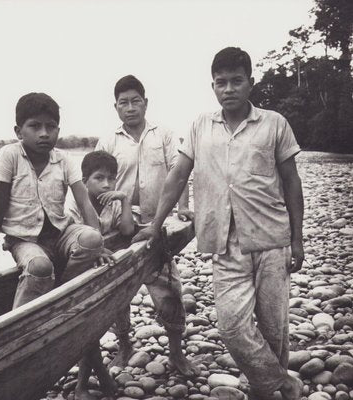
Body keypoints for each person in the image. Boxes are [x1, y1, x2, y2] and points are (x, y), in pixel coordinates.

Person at [133, 47, 304, 400]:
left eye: (236, 81)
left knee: (275, 329)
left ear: (250, 83)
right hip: (224, 243)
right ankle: (283, 382)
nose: (229, 89)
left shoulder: (274, 124)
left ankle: (262, 390)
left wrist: (298, 239)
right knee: (230, 326)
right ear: (212, 86)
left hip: (272, 239)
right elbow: (177, 176)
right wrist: (156, 223)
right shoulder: (199, 126)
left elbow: (291, 182)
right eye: (221, 83)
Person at [95, 75, 199, 377]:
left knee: (168, 289)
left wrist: (181, 208)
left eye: (135, 101)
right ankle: (125, 345)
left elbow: (178, 173)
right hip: (117, 227)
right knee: (117, 293)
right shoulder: (109, 141)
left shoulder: (164, 135)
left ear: (145, 103)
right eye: (123, 103)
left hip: (157, 223)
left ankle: (176, 352)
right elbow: (95, 187)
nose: (130, 108)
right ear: (115, 107)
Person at [0, 92, 112, 306]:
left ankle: (63, 292)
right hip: (24, 240)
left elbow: (84, 202)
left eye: (50, 127)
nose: (44, 133)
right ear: (18, 131)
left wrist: (99, 248)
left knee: (92, 239)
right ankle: (20, 322)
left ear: (58, 131)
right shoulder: (10, 156)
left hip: (61, 234)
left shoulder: (63, 159)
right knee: (40, 267)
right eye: (35, 126)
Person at [67, 150, 135, 399]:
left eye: (111, 178)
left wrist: (125, 199)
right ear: (84, 180)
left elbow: (127, 229)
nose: (106, 184)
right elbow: (75, 240)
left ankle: (89, 384)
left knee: (93, 328)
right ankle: (86, 384)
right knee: (89, 328)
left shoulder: (112, 202)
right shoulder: (73, 204)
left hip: (102, 271)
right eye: (99, 178)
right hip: (78, 270)